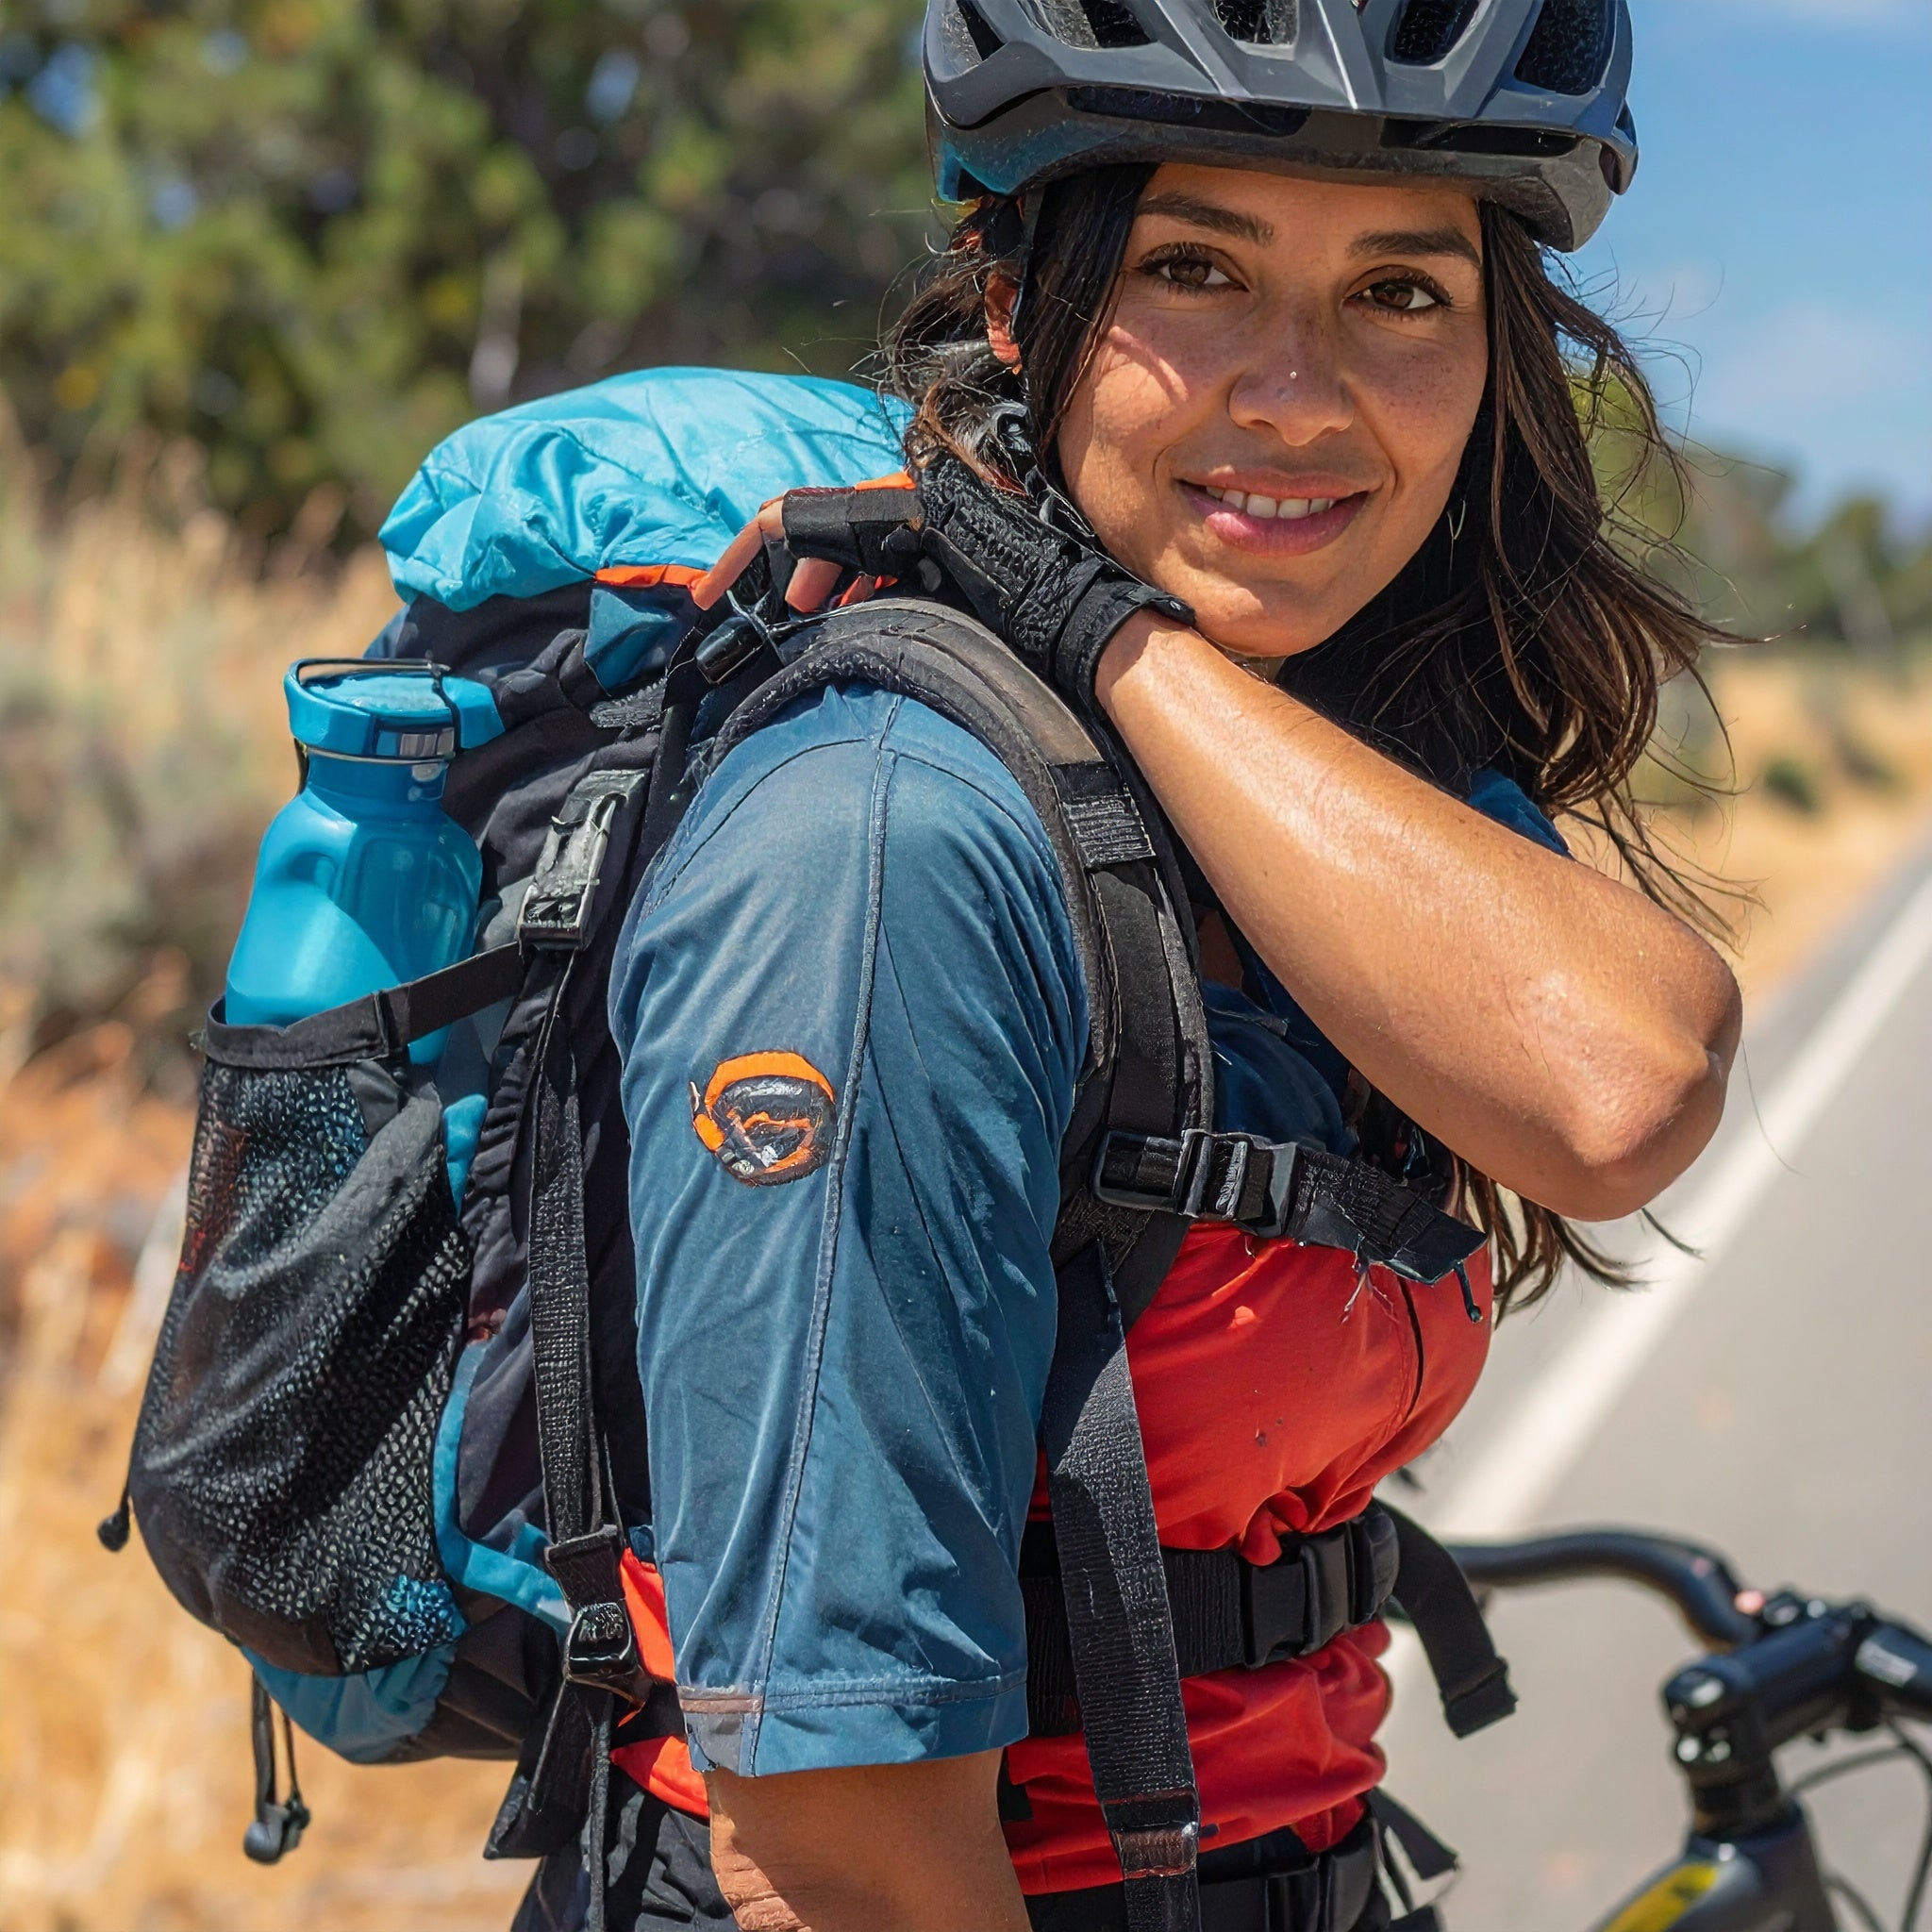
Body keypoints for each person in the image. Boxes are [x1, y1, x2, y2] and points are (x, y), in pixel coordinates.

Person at [523, 3, 1742, 1925]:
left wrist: (1101, 630)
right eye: (1194, 269)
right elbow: (835, 1833)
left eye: (1400, 291)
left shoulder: (1271, 733)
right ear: (1017, 303)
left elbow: (1621, 1080)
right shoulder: (884, 848)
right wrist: (1092, 629)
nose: (1297, 393)